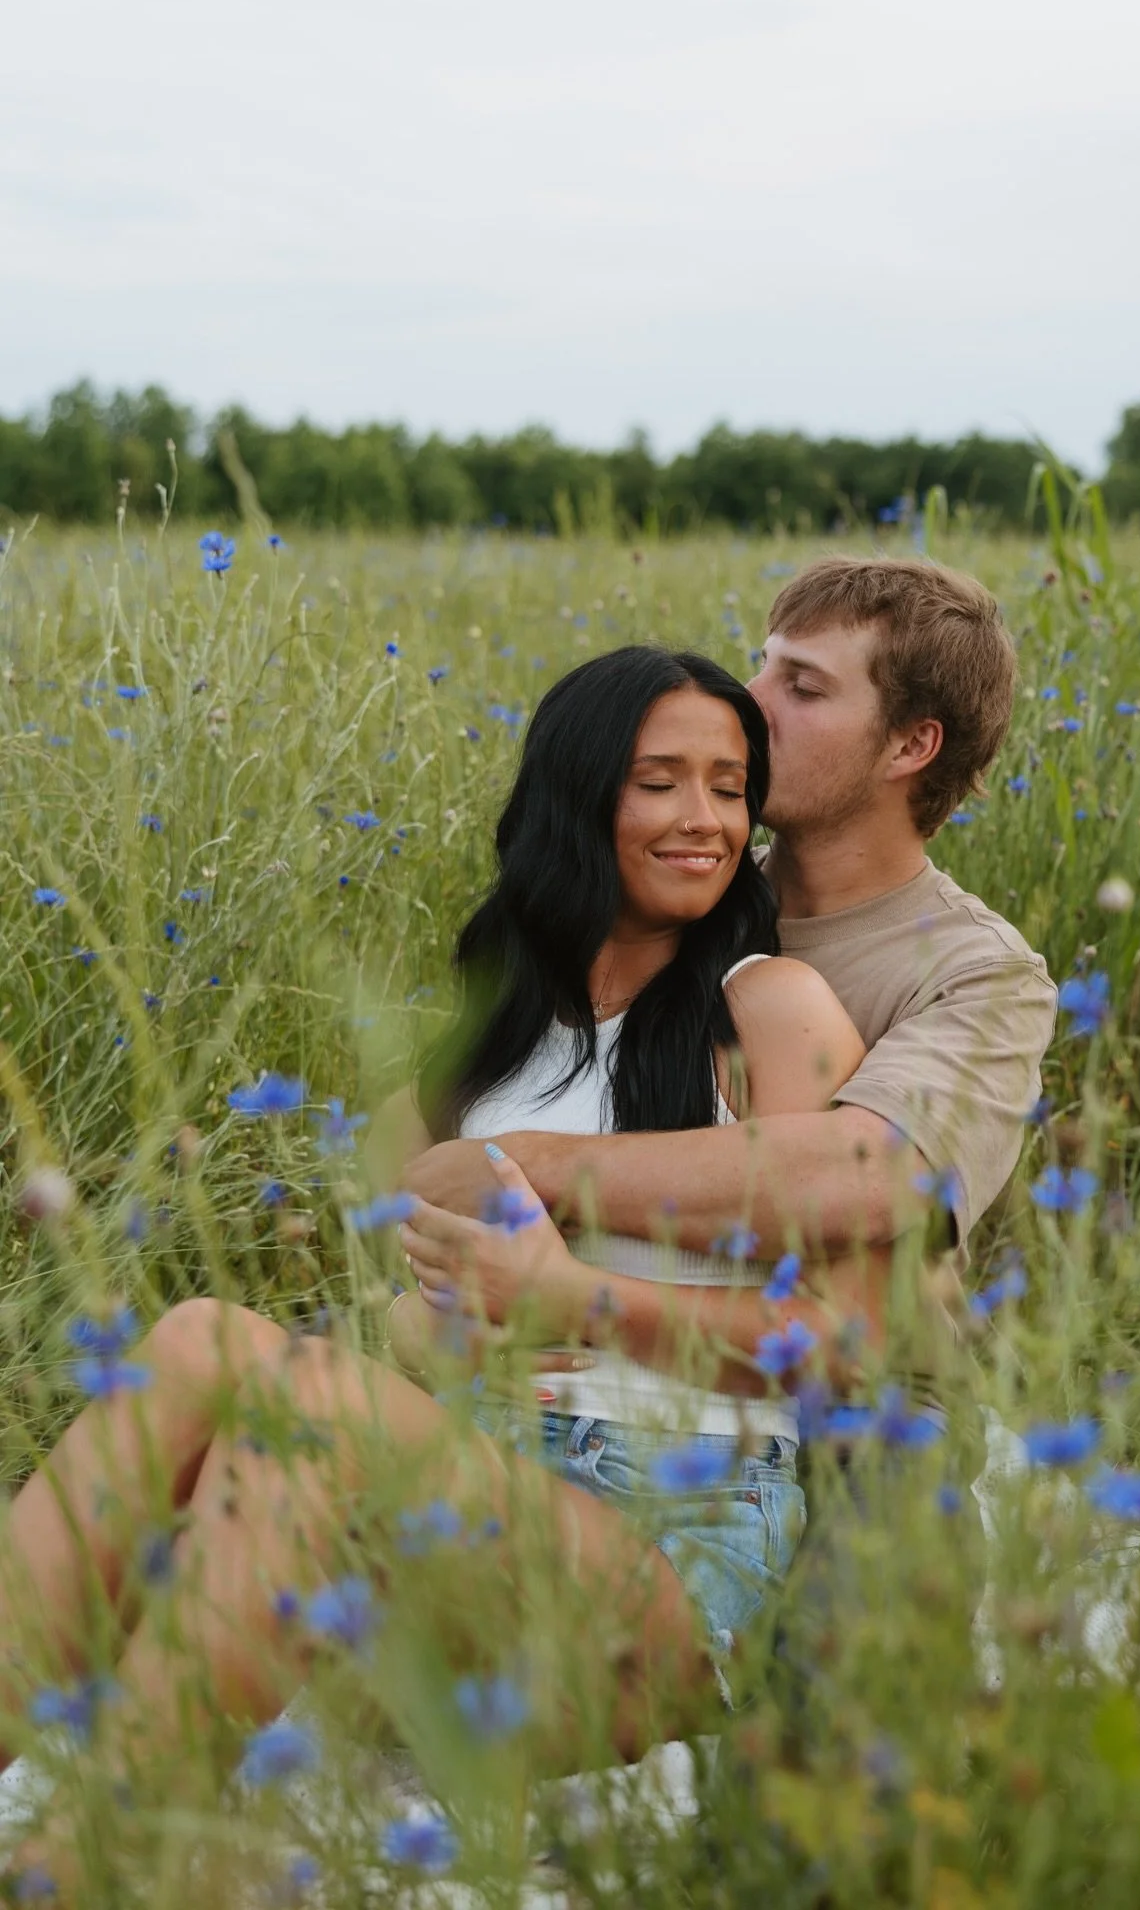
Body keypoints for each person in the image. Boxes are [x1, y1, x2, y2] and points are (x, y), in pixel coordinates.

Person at [0, 646, 869, 1895]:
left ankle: (77, 1867)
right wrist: (450, 1325)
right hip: (460, 1531)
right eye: (660, 782)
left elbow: (846, 1343)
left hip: (668, 1561)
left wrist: (569, 1305)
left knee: (305, 1401)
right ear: (578, 800)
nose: (706, 821)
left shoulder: (770, 1011)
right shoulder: (484, 1042)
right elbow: (401, 1327)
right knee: (201, 1335)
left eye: (730, 788)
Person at [398, 557, 1056, 1377]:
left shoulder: (979, 973)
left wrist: (521, 1165)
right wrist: (413, 1313)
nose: (751, 701)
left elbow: (872, 1177)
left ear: (910, 745)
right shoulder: (677, 889)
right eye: (764, 662)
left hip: (861, 1434)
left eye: (804, 687)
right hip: (606, 1391)